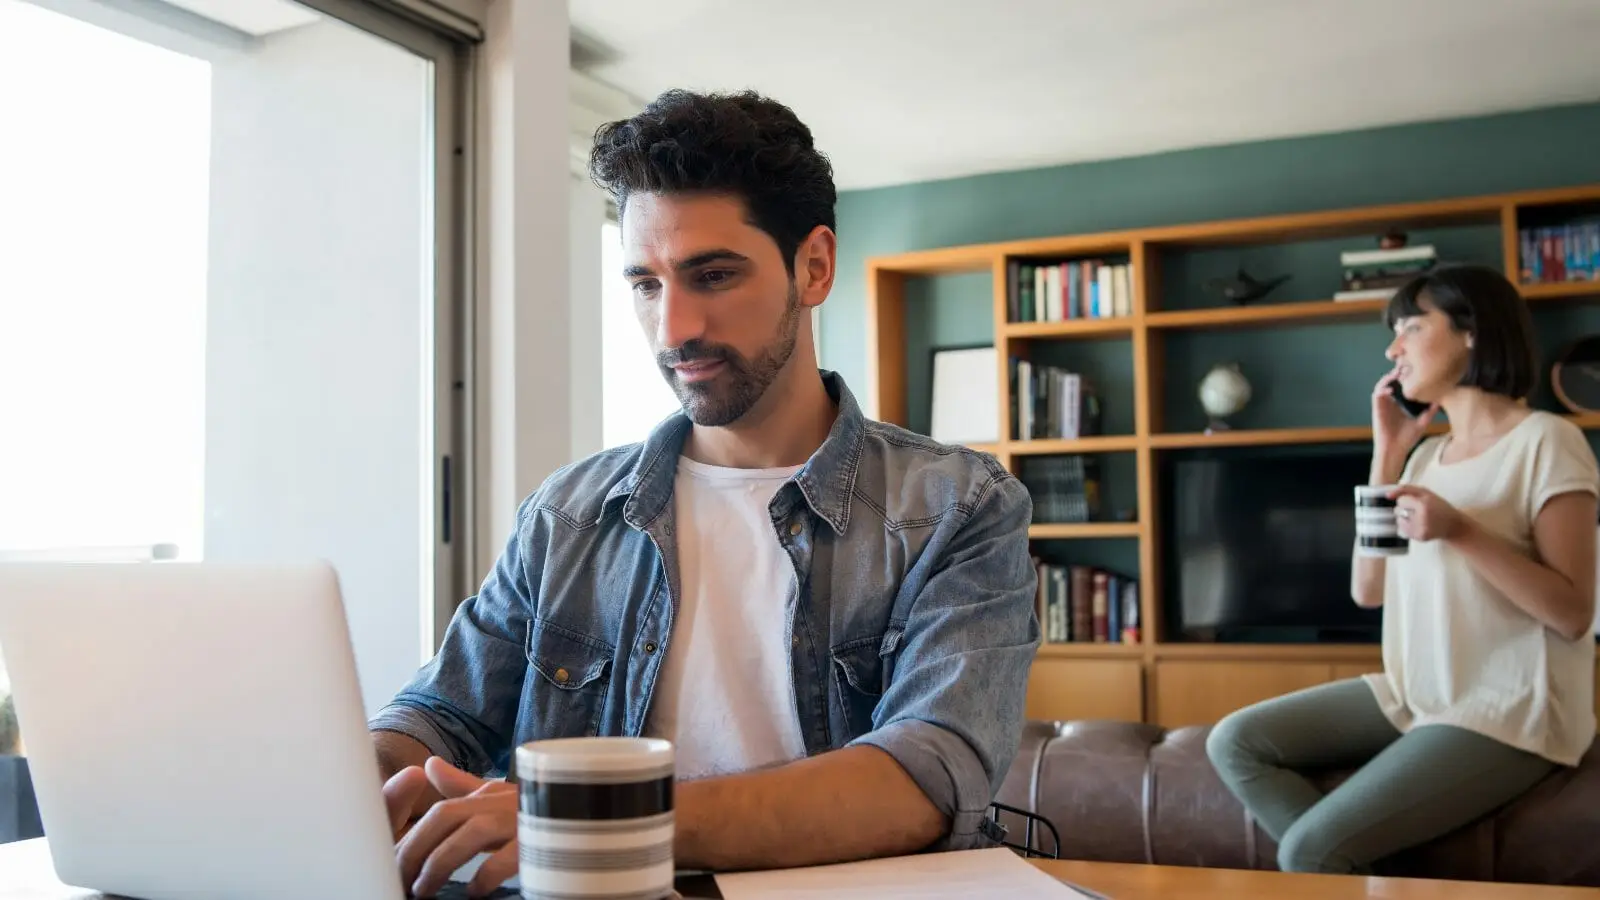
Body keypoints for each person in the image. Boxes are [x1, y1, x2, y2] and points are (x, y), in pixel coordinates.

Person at [366, 88, 1040, 897]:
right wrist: (360, 779)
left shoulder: (957, 507)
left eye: (711, 275)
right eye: (646, 284)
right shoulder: (567, 514)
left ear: (813, 266)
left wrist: (593, 818)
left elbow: (924, 778)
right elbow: (441, 715)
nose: (673, 327)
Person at [1206, 263, 1599, 875]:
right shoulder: (1422, 458)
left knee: (1309, 852)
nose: (1393, 349)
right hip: (1420, 693)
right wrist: (1386, 454)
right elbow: (1368, 589)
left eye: (1411, 327)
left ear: (1473, 332)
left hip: (1512, 708)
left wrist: (1463, 531)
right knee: (1235, 741)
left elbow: (1574, 614)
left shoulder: (1547, 441)